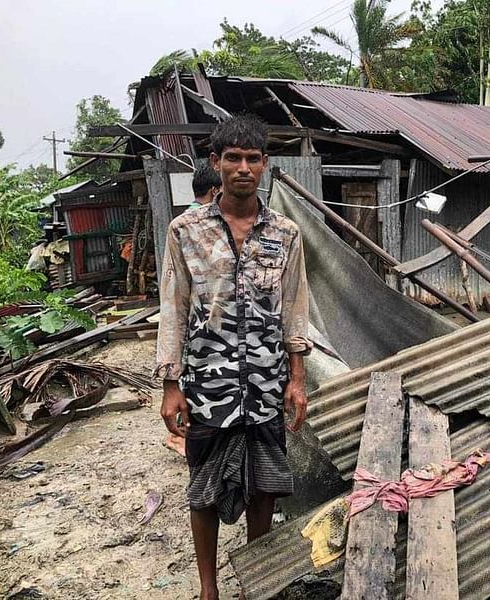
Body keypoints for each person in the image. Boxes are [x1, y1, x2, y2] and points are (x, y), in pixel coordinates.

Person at [155, 114, 311, 600]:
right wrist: (171, 385)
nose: (242, 167)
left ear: (265, 165)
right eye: (232, 158)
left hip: (266, 380)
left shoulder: (285, 233)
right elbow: (172, 307)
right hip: (206, 383)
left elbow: (295, 307)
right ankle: (209, 589)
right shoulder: (185, 231)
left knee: (264, 483)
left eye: (252, 159)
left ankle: (254, 583)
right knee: (203, 486)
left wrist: (297, 379)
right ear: (215, 163)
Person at [163, 162, 224, 457]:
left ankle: (187, 434)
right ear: (215, 191)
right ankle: (189, 439)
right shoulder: (192, 227)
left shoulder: (181, 221)